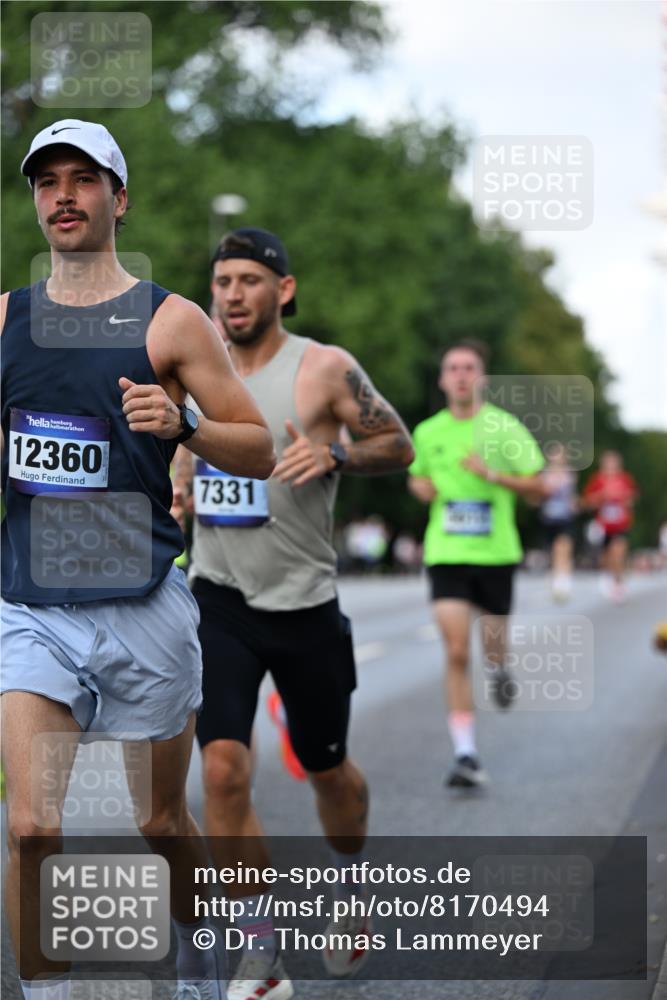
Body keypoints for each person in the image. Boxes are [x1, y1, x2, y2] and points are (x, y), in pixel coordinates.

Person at [1, 120, 275, 1000]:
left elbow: (260, 448)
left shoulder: (171, 320)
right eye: (49, 183)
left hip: (143, 606)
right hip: (31, 608)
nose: (64, 197)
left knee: (158, 817)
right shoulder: (5, 318)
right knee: (33, 828)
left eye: (84, 180)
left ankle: (199, 956)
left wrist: (184, 424)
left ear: (120, 199)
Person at [172, 227, 413, 1000]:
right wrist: (176, 491)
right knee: (221, 770)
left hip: (305, 603)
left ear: (284, 289)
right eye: (222, 281)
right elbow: (181, 457)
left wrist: (337, 453)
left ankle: (349, 891)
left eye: (248, 280)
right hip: (219, 598)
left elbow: (398, 445)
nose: (232, 294)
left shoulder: (324, 368)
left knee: (327, 769)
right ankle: (261, 952)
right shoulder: (192, 371)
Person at [407, 341, 545, 789]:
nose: (461, 375)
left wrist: (493, 475)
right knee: (456, 650)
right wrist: (422, 489)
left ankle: (501, 668)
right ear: (443, 379)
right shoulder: (428, 431)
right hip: (446, 552)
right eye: (453, 368)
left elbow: (539, 486)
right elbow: (419, 478)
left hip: (496, 554)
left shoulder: (504, 428)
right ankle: (466, 753)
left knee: (491, 646)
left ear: (481, 378)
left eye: (469, 368)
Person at [581, 450, 638, 603]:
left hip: (620, 524)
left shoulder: (625, 479)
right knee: (606, 556)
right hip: (604, 526)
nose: (611, 466)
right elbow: (587, 501)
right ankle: (609, 577)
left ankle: (618, 583)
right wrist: (602, 496)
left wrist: (622, 498)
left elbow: (632, 498)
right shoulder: (597, 480)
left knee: (618, 551)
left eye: (614, 463)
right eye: (608, 463)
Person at [539, 442, 578, 602]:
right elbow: (539, 495)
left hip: (565, 517)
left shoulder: (570, 474)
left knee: (564, 547)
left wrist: (574, 504)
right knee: (554, 551)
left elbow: (571, 495)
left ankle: (564, 580)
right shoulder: (544, 474)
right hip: (549, 517)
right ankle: (557, 577)